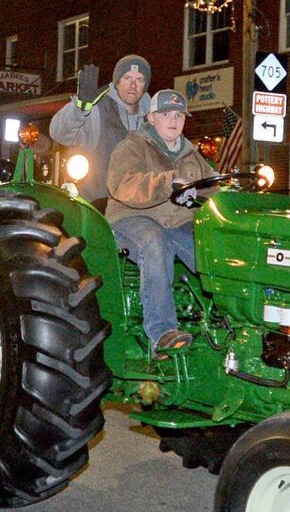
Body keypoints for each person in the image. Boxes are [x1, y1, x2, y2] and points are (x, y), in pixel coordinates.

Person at [107, 89, 215, 358]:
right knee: (154, 241)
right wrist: (167, 183)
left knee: (213, 249)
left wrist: (229, 195)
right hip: (131, 220)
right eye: (166, 114)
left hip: (177, 224)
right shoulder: (132, 146)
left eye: (179, 115)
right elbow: (123, 185)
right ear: (152, 117)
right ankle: (162, 333)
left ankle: (225, 323)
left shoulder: (192, 155)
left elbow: (211, 188)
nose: (173, 120)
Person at [50, 54, 152, 208]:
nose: (133, 85)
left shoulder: (155, 118)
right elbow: (59, 133)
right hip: (96, 205)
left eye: (139, 80)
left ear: (145, 86)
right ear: (116, 82)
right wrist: (80, 108)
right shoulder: (97, 110)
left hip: (139, 206)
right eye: (127, 78)